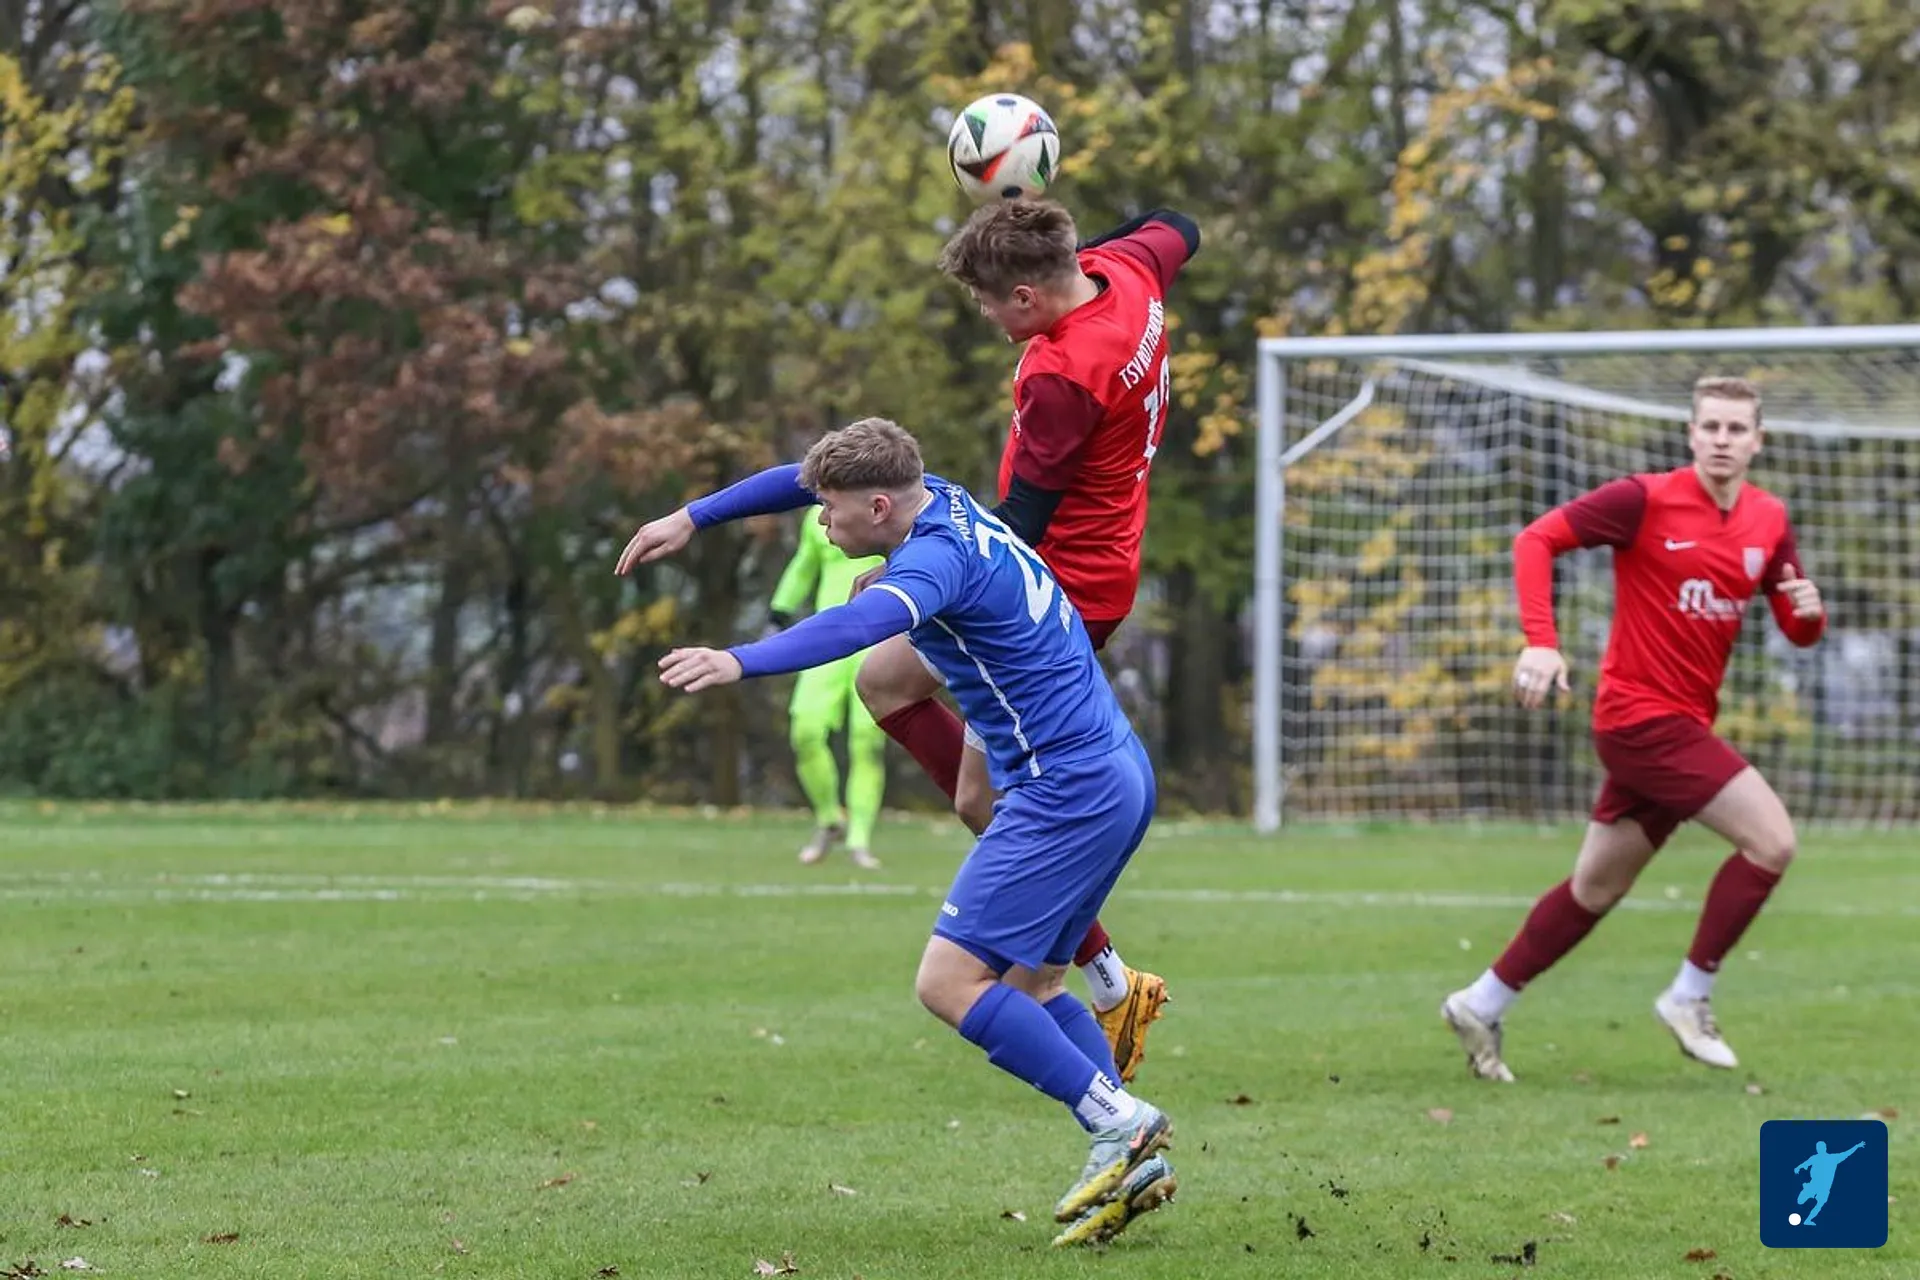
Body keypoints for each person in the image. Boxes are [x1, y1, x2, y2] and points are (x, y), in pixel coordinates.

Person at [619, 418, 1177, 1246]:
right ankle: (1133, 1153)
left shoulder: (934, 563)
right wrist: (693, 517)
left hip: (1064, 793)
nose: (820, 523)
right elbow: (797, 480)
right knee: (1034, 990)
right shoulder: (939, 498)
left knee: (948, 984)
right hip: (1111, 773)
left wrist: (740, 659)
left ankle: (1121, 1122)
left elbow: (852, 629)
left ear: (879, 506)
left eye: (833, 512)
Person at [852, 199, 1202, 1083]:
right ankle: (1098, 982)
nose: (982, 316)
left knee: (977, 798)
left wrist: (913, 577)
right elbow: (1177, 222)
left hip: (1062, 589)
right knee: (888, 683)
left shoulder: (1061, 374)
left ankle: (1108, 983)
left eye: (986, 300)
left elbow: (1020, 526)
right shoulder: (1126, 270)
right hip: (1100, 569)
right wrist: (1037, 207)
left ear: (1024, 297)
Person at [1441, 376, 1827, 1082]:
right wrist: (1541, 639)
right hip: (1638, 719)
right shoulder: (1643, 499)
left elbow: (1798, 630)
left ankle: (1479, 1001)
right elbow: (1537, 539)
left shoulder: (1769, 519)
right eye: (1710, 426)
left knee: (1595, 888)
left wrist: (1809, 609)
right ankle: (1691, 995)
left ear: (1757, 441)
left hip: (1680, 724)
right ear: (1691, 433)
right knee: (1772, 842)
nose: (1721, 439)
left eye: (1736, 429)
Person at [766, 513, 887, 868]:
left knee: (867, 741)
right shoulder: (820, 516)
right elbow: (805, 564)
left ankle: (860, 839)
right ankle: (830, 818)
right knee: (805, 729)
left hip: (880, 638)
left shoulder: (891, 505)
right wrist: (778, 614)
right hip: (829, 638)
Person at [1794, 1139, 1865, 1226]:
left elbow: (1847, 1153)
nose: (1818, 1149)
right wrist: (1798, 1167)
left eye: (1820, 1147)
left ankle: (1808, 1220)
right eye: (1818, 1147)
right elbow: (1805, 1163)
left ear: (1824, 1148)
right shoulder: (1814, 1158)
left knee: (1820, 1204)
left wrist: (1857, 1146)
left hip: (1824, 1188)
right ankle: (1806, 1189)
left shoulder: (1833, 1158)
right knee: (1799, 1201)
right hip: (1813, 1185)